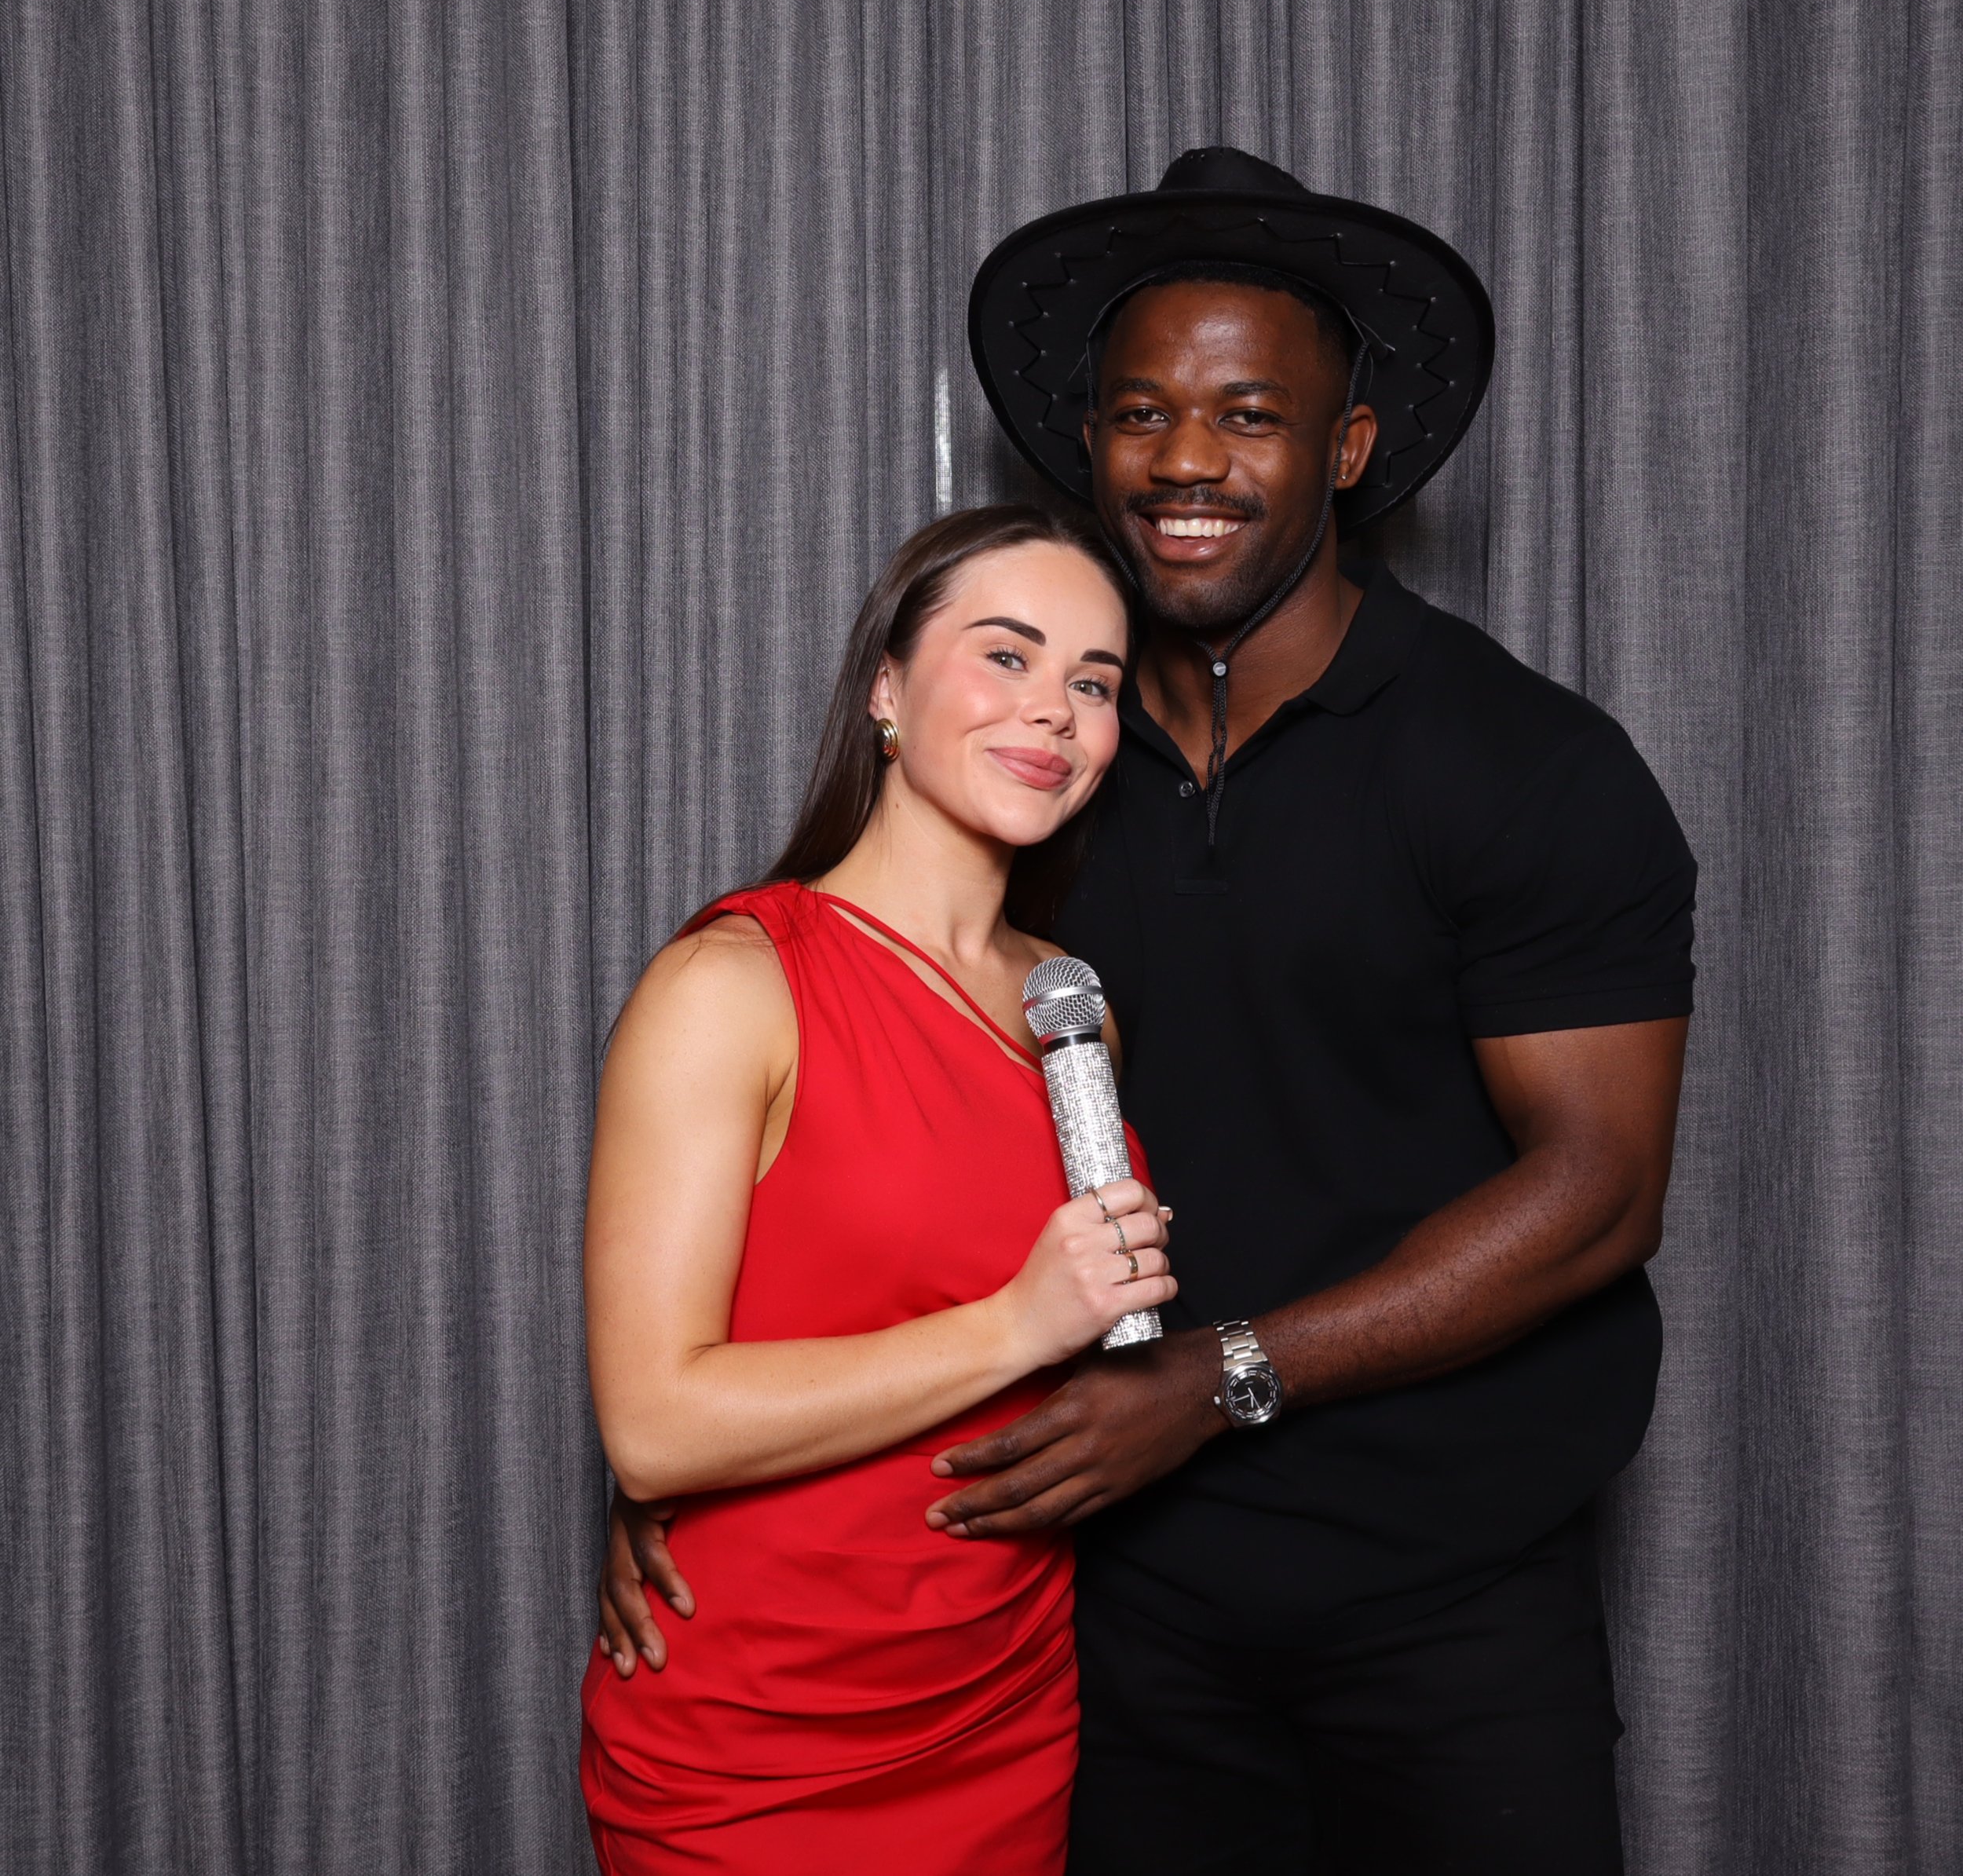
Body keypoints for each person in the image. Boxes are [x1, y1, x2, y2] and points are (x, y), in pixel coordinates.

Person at [601, 148, 1696, 1874]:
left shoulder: (1524, 766)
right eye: (1139, 413)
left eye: (1247, 413)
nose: (1186, 460)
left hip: (1443, 1600)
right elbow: (842, 1174)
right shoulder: (1034, 791)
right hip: (1108, 1612)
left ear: (1345, 450)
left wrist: (1221, 1375)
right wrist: (705, 1472)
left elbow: (1597, 1189)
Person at [577, 502, 1175, 1876]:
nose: (1057, 712)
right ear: (888, 691)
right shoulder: (731, 987)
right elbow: (656, 1429)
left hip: (1005, 1702)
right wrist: (1024, 1321)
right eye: (1007, 657)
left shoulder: (1069, 1009)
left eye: (1093, 681)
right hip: (763, 1739)